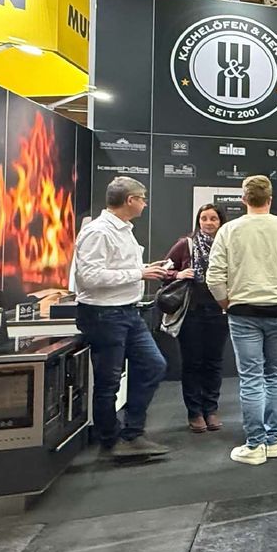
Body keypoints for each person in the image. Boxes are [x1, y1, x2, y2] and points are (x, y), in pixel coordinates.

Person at [207, 175, 277, 466]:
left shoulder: (229, 230)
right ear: (270, 199)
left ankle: (255, 445)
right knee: (276, 375)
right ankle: (276, 438)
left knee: (251, 378)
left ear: (244, 199)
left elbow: (214, 277)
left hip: (243, 312)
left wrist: (227, 303)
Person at [73, 177, 169, 459]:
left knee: (154, 365)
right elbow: (89, 278)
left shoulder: (124, 230)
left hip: (128, 311)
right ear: (129, 200)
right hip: (104, 314)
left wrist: (144, 268)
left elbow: (115, 267)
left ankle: (133, 433)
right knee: (108, 382)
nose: (145, 203)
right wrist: (139, 273)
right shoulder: (98, 232)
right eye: (142, 198)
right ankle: (110, 440)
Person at [165, 204, 228, 434]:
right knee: (192, 363)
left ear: (221, 221)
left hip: (219, 312)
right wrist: (177, 274)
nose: (208, 223)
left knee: (214, 362)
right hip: (191, 313)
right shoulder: (186, 244)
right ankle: (195, 412)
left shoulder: (228, 245)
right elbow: (164, 270)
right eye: (204, 218)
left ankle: (211, 409)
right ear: (198, 221)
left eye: (213, 218)